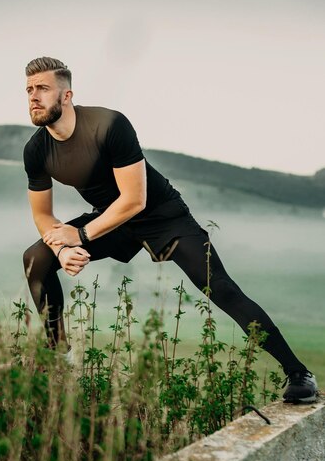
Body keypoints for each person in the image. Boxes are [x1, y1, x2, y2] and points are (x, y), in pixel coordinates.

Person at [22, 56, 318, 404]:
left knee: (220, 288)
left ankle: (299, 373)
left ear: (67, 95)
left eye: (42, 88)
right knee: (35, 259)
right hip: (110, 219)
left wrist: (82, 236)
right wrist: (61, 248)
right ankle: (59, 357)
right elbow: (43, 215)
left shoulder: (108, 125)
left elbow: (135, 199)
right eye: (28, 89)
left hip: (162, 215)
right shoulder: (36, 150)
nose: (33, 96)